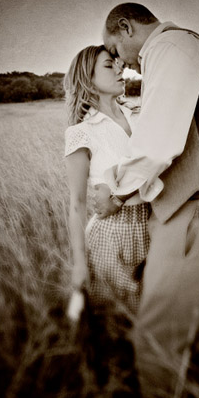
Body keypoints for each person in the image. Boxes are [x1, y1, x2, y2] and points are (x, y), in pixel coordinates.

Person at [94, 3, 199, 398]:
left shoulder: (171, 47)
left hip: (192, 208)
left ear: (126, 27)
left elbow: (160, 144)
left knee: (156, 338)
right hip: (186, 206)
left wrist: (117, 194)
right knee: (176, 334)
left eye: (114, 47)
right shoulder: (168, 52)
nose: (120, 60)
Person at [63, 45, 149, 315]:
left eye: (118, 64)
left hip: (154, 224)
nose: (119, 70)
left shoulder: (140, 115)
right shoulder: (82, 131)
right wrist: (78, 264)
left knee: (155, 310)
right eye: (108, 66)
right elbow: (76, 203)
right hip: (111, 234)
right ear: (88, 78)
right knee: (126, 318)